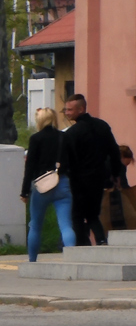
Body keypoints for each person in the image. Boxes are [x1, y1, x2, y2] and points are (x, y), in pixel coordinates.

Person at [62, 94, 123, 246]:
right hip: (99, 177)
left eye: (70, 110)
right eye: (66, 109)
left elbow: (66, 159)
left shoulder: (72, 133)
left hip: (77, 179)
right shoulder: (102, 126)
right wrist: (116, 174)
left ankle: (82, 244)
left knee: (77, 214)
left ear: (81, 109)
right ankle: (101, 240)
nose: (67, 113)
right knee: (93, 213)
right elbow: (114, 152)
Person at [20, 107, 76, 263]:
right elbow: (73, 162)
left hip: (41, 186)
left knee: (36, 225)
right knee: (66, 225)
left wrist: (24, 192)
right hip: (63, 182)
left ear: (40, 120)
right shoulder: (64, 137)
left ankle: (32, 260)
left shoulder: (36, 139)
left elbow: (29, 167)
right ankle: (71, 259)